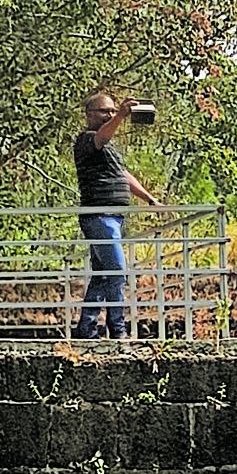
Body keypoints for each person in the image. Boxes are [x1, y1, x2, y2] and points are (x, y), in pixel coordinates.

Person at [72, 91, 160, 339]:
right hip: (100, 216)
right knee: (117, 271)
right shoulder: (87, 139)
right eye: (105, 111)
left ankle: (87, 328)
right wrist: (121, 115)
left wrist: (150, 199)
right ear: (90, 115)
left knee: (103, 274)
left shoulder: (110, 148)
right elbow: (101, 136)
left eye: (112, 110)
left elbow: (124, 176)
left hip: (113, 217)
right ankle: (117, 328)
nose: (110, 115)